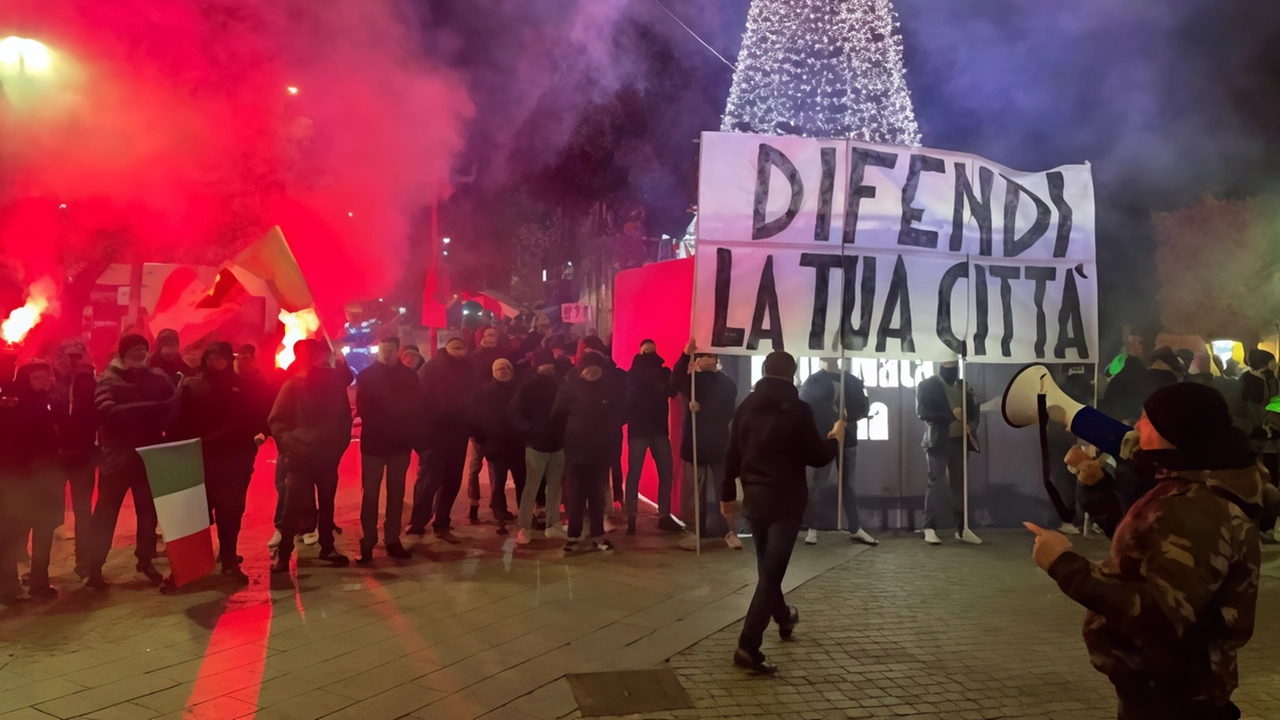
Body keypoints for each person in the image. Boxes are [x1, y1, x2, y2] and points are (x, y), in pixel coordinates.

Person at [1026, 382, 1264, 720]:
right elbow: (1149, 548)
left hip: (1174, 696)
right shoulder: (1186, 488)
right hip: (1169, 689)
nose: (1137, 426)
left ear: (1172, 431)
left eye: (1146, 419)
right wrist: (1099, 491)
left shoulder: (1194, 507)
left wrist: (1063, 564)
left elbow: (1161, 616)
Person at [721, 351, 844, 674]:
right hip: (786, 502)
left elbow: (731, 452)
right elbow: (816, 456)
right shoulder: (798, 410)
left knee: (767, 570)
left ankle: (784, 617)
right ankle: (748, 646)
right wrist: (834, 440)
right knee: (771, 574)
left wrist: (726, 495)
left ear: (764, 371)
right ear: (793, 375)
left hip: (755, 500)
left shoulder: (746, 406)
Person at [86, 334, 176, 587]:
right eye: (134, 349)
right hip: (118, 456)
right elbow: (107, 412)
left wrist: (141, 410)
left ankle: (144, 559)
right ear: (123, 353)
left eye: (142, 349)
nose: (139, 354)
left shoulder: (157, 377)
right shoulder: (108, 379)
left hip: (148, 455)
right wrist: (150, 409)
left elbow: (172, 404)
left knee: (147, 511)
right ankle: (95, 567)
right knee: (105, 512)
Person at [173, 342, 258, 581]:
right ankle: (191, 564)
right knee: (197, 514)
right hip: (200, 458)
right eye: (210, 356)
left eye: (219, 357)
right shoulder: (193, 386)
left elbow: (248, 419)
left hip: (231, 461)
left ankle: (229, 560)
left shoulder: (240, 385)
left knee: (229, 513)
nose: (214, 361)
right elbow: (181, 421)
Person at [270, 340, 354, 572]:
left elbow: (344, 420)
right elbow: (277, 421)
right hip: (300, 459)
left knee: (327, 504)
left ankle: (327, 547)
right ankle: (284, 555)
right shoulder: (294, 384)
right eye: (318, 356)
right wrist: (293, 447)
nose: (322, 361)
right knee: (292, 507)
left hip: (327, 458)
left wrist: (337, 448)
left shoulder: (334, 385)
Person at [0, 364, 66, 600]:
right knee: (12, 532)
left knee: (44, 531)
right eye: (36, 378)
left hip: (46, 478)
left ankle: (39, 581)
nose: (43, 382)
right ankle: (7, 585)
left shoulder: (49, 400)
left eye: (45, 377)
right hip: (20, 478)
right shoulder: (12, 403)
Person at [353, 337, 419, 564]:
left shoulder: (409, 375)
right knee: (370, 494)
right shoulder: (366, 375)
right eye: (383, 349)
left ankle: (392, 539)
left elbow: (415, 407)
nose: (386, 352)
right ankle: (368, 540)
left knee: (396, 494)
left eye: (390, 349)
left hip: (399, 445)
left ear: (398, 350)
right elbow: (363, 408)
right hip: (374, 444)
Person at [799, 358, 877, 546]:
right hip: (824, 437)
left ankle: (855, 526)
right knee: (819, 483)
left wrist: (846, 418)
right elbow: (808, 406)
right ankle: (812, 526)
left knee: (848, 484)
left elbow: (862, 407)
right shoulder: (813, 381)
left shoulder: (850, 379)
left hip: (848, 438)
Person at [409, 337, 477, 543]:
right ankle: (417, 524)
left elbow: (477, 397)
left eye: (463, 347)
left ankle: (442, 521)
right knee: (429, 479)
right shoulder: (431, 369)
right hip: (435, 434)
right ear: (446, 348)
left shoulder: (469, 369)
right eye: (455, 347)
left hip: (459, 432)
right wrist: (422, 438)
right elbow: (418, 403)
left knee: (452, 479)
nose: (460, 351)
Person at [673, 339, 739, 550]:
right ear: (698, 360)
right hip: (696, 443)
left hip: (718, 443)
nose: (710, 359)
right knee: (697, 491)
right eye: (706, 356)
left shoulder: (727, 383)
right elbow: (673, 384)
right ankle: (698, 531)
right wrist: (685, 356)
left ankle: (728, 530)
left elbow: (728, 411)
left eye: (713, 356)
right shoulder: (691, 380)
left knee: (724, 489)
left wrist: (703, 411)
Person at [551, 353, 617, 553]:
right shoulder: (569, 388)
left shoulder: (608, 387)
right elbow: (556, 416)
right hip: (575, 451)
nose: (592, 372)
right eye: (588, 368)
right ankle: (573, 535)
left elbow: (617, 414)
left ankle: (598, 535)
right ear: (581, 370)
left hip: (599, 452)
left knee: (597, 496)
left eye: (596, 368)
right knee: (575, 496)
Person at [916, 360, 981, 545]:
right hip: (938, 441)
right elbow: (922, 411)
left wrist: (971, 425)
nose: (951, 364)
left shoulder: (963, 386)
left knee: (960, 484)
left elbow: (975, 411)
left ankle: (962, 527)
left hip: (960, 441)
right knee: (935, 483)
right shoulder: (927, 385)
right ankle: (928, 526)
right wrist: (952, 415)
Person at [510, 348, 567, 544]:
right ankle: (524, 528)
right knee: (531, 488)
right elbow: (514, 413)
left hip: (557, 444)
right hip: (536, 445)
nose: (549, 370)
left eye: (551, 367)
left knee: (553, 488)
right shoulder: (527, 387)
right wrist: (531, 429)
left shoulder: (559, 384)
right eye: (546, 366)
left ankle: (554, 524)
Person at [52, 338, 98, 572]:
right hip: (57, 457)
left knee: (83, 511)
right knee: (48, 510)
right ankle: (42, 568)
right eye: (68, 356)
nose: (72, 361)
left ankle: (84, 562)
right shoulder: (50, 382)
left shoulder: (90, 382)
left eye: (77, 356)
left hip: (83, 455)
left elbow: (95, 417)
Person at [625, 339, 679, 534]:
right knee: (636, 474)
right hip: (644, 430)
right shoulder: (635, 374)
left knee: (663, 473)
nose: (649, 353)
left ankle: (661, 515)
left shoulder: (661, 372)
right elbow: (629, 398)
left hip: (653, 430)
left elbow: (673, 390)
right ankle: (633, 515)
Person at [471, 358, 525, 533]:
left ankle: (523, 512)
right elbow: (475, 417)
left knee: (521, 480)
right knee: (498, 481)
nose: (503, 371)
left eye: (507, 368)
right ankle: (500, 514)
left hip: (517, 444)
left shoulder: (519, 390)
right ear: (494, 372)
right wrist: (482, 441)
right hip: (495, 445)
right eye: (500, 369)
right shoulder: (484, 391)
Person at [465, 326, 507, 524]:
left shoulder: (501, 360)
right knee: (474, 467)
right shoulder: (475, 359)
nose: (491, 340)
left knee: (494, 469)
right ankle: (474, 504)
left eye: (495, 336)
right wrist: (474, 432)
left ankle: (495, 503)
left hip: (493, 433)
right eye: (488, 336)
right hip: (479, 430)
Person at [1101, 331, 1147, 424]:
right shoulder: (1136, 367)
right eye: (1140, 343)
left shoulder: (1126, 364)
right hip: (1126, 414)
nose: (1143, 347)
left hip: (1116, 412)